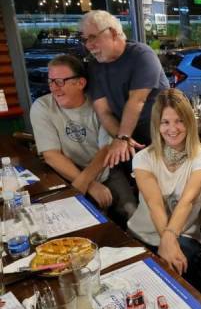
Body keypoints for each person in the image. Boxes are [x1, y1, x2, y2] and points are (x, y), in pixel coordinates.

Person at [29, 54, 136, 219]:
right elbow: (51, 156)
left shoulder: (99, 105)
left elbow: (106, 149)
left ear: (81, 83)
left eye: (60, 81)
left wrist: (85, 183)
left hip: (104, 170)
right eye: (51, 81)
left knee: (132, 215)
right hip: (66, 174)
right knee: (74, 221)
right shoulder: (42, 107)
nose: (54, 88)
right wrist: (89, 185)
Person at [127, 88, 201, 279]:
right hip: (143, 234)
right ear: (157, 125)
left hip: (184, 235)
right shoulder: (143, 158)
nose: (172, 129)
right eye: (165, 122)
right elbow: (154, 204)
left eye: (179, 121)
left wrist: (169, 237)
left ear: (189, 122)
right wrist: (166, 240)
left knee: (175, 271)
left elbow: (186, 201)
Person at [79, 10, 169, 168]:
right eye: (85, 40)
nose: (88, 45)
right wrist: (122, 139)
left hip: (162, 135)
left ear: (112, 33)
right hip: (128, 138)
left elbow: (137, 100)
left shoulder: (141, 55)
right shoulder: (95, 66)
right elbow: (103, 112)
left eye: (93, 37)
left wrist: (123, 138)